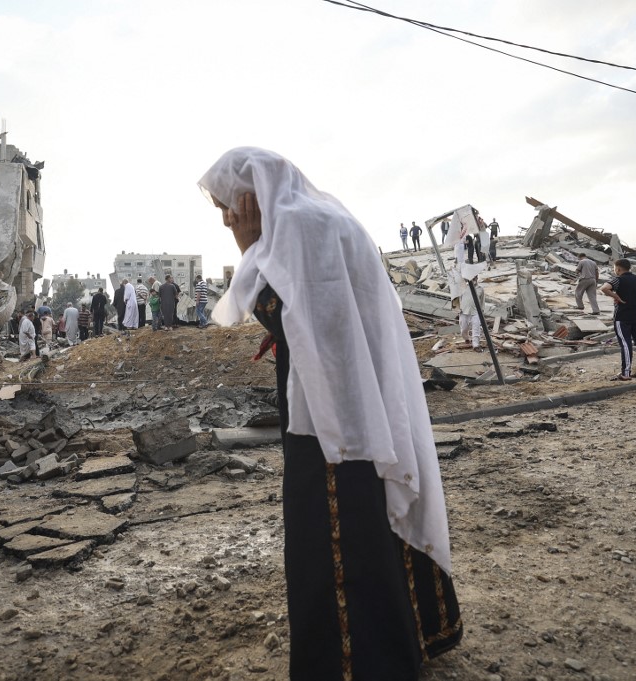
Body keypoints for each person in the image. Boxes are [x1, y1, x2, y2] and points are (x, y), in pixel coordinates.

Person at [199, 147, 462, 680]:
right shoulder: (329, 217)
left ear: (252, 194)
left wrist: (248, 248)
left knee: (336, 533)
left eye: (231, 206)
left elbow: (285, 316)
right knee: (377, 513)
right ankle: (418, 632)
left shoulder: (298, 227)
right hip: (364, 392)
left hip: (330, 412)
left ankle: (358, 664)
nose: (228, 219)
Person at [459, 276, 485, 351]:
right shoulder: (463, 287)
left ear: (477, 278)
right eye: (472, 277)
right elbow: (459, 299)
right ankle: (466, 338)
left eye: (475, 277)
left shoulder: (480, 289)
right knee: (464, 329)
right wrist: (458, 309)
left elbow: (482, 301)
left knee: (476, 328)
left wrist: (482, 311)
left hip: (476, 312)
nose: (474, 279)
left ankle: (476, 345)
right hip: (464, 311)